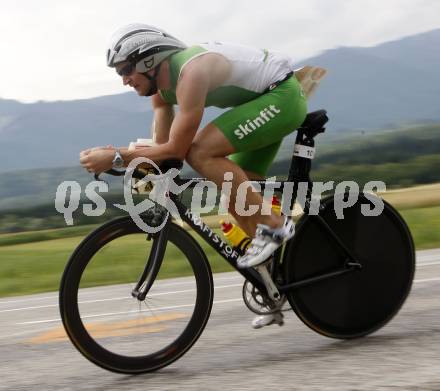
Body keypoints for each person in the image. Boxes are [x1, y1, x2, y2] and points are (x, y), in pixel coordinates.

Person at [80, 23, 308, 328]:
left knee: (200, 152)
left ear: (148, 60)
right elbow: (165, 152)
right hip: (261, 104)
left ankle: (274, 225)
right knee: (235, 196)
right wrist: (132, 167)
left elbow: (179, 147)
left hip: (282, 97)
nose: (124, 80)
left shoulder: (191, 73)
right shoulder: (161, 94)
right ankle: (276, 288)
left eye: (126, 70)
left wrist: (119, 155)